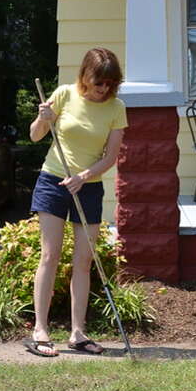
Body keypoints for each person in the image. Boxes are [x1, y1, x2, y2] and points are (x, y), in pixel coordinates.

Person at [24, 47, 128, 358]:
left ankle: (78, 333)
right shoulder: (64, 94)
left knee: (83, 261)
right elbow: (34, 136)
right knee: (50, 254)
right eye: (99, 83)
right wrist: (44, 119)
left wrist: (83, 176)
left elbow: (111, 157)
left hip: (88, 187)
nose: (104, 89)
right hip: (53, 181)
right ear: (85, 75)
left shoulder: (116, 107)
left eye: (110, 84)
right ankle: (40, 329)